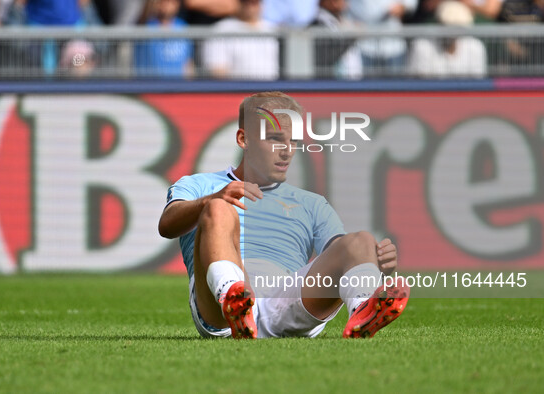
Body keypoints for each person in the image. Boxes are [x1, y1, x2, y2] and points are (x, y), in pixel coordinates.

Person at [158, 91, 409, 339]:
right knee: (218, 208)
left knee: (361, 240)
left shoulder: (312, 203)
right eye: (275, 139)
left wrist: (375, 262)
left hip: (286, 296)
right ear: (244, 139)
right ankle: (233, 298)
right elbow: (167, 225)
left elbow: (342, 255)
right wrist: (211, 199)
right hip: (216, 306)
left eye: (294, 141)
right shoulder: (200, 185)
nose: (287, 151)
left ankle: (364, 307)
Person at [408, 1, 487, 78]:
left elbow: (477, 82)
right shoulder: (422, 46)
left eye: (457, 28)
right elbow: (420, 83)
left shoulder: (475, 47)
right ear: (439, 23)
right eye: (448, 26)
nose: (452, 33)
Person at [202, 0, 278, 80]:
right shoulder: (221, 29)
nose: (250, 6)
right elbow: (217, 70)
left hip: (273, 87)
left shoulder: (273, 29)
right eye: (246, 2)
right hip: (238, 88)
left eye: (255, 2)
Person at [134, 0, 194, 78]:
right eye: (162, 1)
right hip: (152, 85)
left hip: (178, 86)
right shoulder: (146, 26)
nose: (166, 4)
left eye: (171, 1)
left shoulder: (183, 26)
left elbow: (188, 62)